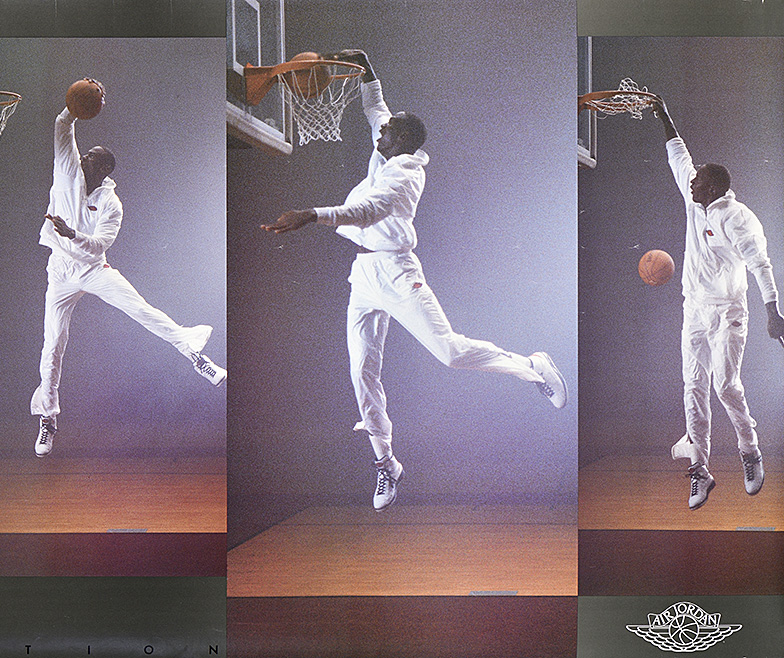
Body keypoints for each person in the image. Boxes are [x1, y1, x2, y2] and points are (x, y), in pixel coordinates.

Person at [260, 50, 567, 511]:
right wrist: (367, 69)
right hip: (364, 274)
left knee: (449, 352)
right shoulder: (389, 145)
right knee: (361, 370)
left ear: (400, 140)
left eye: (386, 132)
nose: (378, 133)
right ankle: (386, 462)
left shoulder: (404, 175)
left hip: (397, 272)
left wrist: (312, 214)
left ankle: (531, 367)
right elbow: (375, 109)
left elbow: (369, 210)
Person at [31, 85, 226, 457]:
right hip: (60, 271)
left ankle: (194, 354)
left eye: (91, 156)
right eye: (84, 153)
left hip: (92, 268)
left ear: (103, 168)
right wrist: (79, 104)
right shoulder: (67, 167)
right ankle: (49, 417)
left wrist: (73, 233)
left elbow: (100, 244)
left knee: (142, 310)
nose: (83, 156)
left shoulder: (112, 203)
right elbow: (62, 125)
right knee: (52, 345)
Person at [649, 97, 784, 510]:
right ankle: (701, 471)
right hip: (695, 309)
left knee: (725, 385)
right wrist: (664, 115)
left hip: (729, 312)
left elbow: (760, 264)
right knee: (693, 387)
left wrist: (773, 311)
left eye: (698, 180)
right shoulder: (695, 200)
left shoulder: (737, 218)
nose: (691, 182)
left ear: (713, 188)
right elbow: (680, 157)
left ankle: (750, 451)